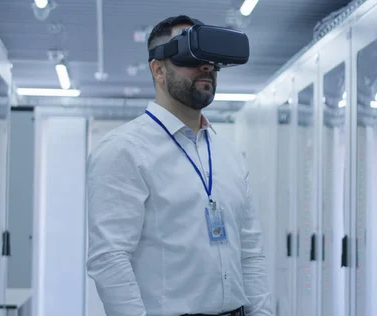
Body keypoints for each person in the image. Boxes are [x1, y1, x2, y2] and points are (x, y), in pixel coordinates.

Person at [86, 14, 272, 316]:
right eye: (190, 55)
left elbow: (250, 253)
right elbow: (109, 258)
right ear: (158, 69)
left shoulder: (229, 155)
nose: (206, 67)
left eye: (211, 59)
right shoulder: (124, 150)